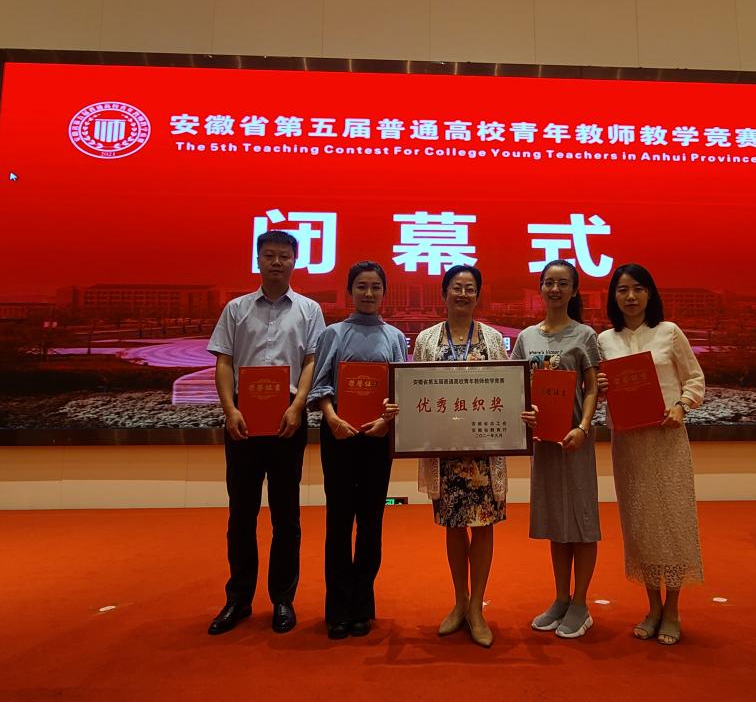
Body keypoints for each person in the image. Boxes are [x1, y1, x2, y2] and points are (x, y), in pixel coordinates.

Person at [206, 230, 325, 636]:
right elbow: (224, 362)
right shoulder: (236, 309)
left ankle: (282, 599)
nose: (277, 262)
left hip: (287, 418)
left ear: (295, 261)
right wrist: (230, 410)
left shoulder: (309, 310)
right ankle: (238, 599)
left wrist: (298, 406)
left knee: (286, 515)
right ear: (258, 259)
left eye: (284, 256)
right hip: (243, 419)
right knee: (241, 513)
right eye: (269, 255)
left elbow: (311, 362)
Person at [414, 264, 535, 648]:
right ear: (444, 293)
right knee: (453, 526)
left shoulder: (494, 338)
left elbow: (509, 389)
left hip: (484, 451)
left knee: (483, 526)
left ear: (478, 296)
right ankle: (460, 602)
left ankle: (477, 607)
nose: (463, 294)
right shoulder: (426, 340)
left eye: (470, 288)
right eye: (456, 287)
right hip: (445, 451)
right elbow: (415, 392)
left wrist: (523, 411)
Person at [597, 263, 704, 646]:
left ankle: (673, 609)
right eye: (622, 290)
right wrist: (601, 385)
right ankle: (652, 607)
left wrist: (682, 407)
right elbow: (602, 388)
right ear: (613, 297)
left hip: (666, 438)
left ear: (650, 293)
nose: (630, 296)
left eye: (638, 288)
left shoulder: (669, 332)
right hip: (628, 442)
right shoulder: (604, 339)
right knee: (640, 525)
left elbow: (695, 379)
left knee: (672, 523)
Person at [308, 261, 407, 640]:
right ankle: (338, 609)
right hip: (339, 436)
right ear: (350, 291)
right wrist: (332, 418)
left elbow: (401, 389)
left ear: (384, 292)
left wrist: (386, 422)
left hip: (377, 438)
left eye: (375, 287)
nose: (368, 293)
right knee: (338, 521)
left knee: (370, 522)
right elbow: (321, 384)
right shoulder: (332, 334)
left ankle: (362, 606)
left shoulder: (395, 337)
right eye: (361, 286)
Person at [510, 260, 600, 639]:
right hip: (543, 442)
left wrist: (583, 427)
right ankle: (561, 598)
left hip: (575, 441)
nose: (555, 289)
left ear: (574, 290)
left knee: (581, 520)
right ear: (541, 288)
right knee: (555, 521)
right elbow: (515, 386)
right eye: (549, 282)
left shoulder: (585, 335)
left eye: (563, 283)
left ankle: (581, 603)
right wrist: (524, 416)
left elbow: (593, 388)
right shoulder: (526, 337)